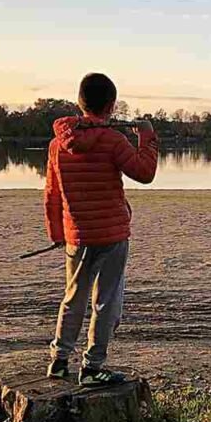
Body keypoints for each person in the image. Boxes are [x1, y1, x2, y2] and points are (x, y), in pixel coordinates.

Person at [43, 73, 159, 387]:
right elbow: (145, 172)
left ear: (80, 103)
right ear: (110, 106)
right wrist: (146, 138)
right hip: (111, 235)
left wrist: (57, 233)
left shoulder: (57, 144)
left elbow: (52, 194)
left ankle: (59, 360)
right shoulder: (111, 140)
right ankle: (93, 367)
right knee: (106, 301)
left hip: (76, 235)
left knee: (73, 298)